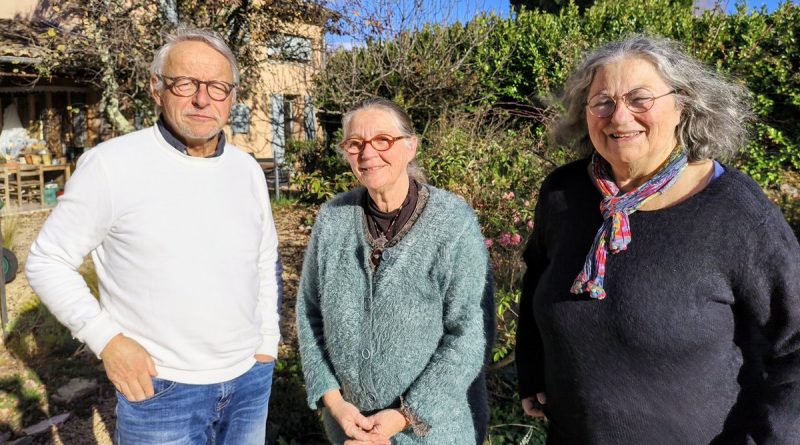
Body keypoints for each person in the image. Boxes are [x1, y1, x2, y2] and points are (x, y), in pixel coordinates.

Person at [515, 36, 800, 444]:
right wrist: (531, 366)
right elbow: (537, 276)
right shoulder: (564, 194)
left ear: (682, 104)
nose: (619, 117)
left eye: (639, 99)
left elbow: (793, 342)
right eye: (603, 102)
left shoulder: (735, 212)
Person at [25, 27, 282, 444]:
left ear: (232, 96)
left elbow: (263, 258)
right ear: (157, 88)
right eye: (186, 84)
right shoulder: (112, 165)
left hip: (249, 381)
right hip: (162, 389)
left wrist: (267, 342)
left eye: (217, 87)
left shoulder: (247, 170)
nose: (203, 99)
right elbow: (47, 260)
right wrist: (106, 340)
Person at [296, 97, 494, 444]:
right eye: (355, 144)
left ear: (410, 146)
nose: (368, 153)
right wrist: (334, 402)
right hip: (349, 429)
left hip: (431, 433)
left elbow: (467, 336)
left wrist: (405, 416)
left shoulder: (452, 223)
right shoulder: (332, 219)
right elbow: (308, 313)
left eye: (383, 140)